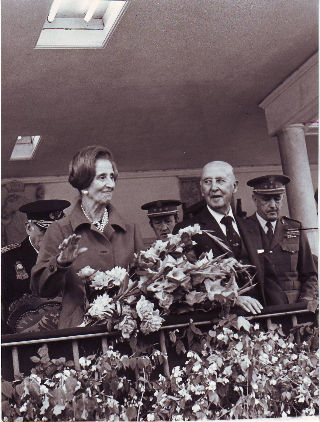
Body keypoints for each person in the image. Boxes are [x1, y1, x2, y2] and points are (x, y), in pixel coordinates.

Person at [31, 145, 144, 329]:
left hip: (126, 331)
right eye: (102, 177)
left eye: (112, 177)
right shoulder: (59, 230)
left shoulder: (130, 230)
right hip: (80, 334)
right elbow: (42, 290)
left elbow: (144, 282)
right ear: (84, 185)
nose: (111, 184)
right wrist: (60, 263)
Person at [173, 161, 264, 315]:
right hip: (217, 323)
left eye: (220, 181)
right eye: (208, 182)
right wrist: (232, 298)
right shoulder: (186, 230)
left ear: (234, 186)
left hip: (261, 315)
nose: (214, 187)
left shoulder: (253, 227)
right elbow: (184, 286)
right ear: (201, 189)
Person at [243, 174, 318, 305]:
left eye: (277, 199)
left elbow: (310, 274)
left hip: (293, 306)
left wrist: (304, 302)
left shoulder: (294, 228)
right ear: (254, 199)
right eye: (266, 199)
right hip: (260, 307)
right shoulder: (243, 229)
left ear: (283, 199)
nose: (273, 205)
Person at [1, 199, 70, 333]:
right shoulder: (6, 259)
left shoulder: (71, 256)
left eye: (58, 232)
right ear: (28, 228)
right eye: (46, 231)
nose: (53, 238)